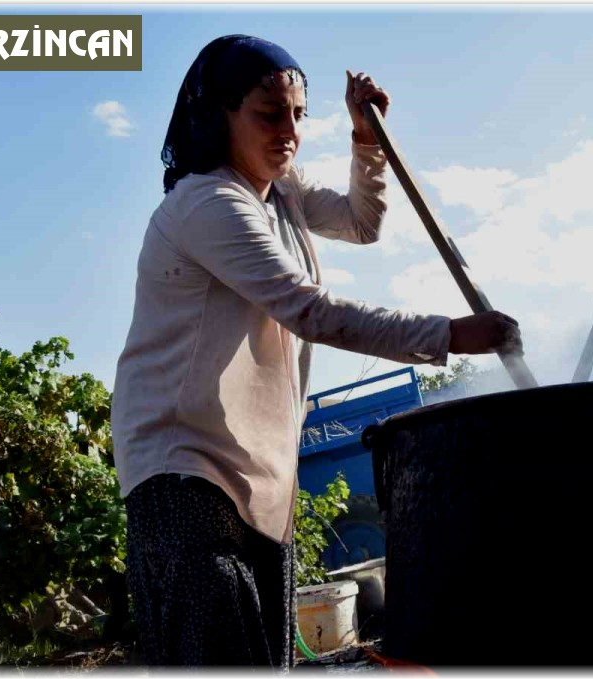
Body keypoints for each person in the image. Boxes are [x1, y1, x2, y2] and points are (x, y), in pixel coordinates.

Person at [110, 35, 522, 666]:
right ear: (220, 114)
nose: (289, 133)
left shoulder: (284, 192)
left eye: (299, 115)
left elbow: (363, 222)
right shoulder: (207, 203)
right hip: (183, 466)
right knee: (217, 651)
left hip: (259, 465)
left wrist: (364, 139)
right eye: (268, 115)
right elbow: (310, 311)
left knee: (266, 658)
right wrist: (450, 334)